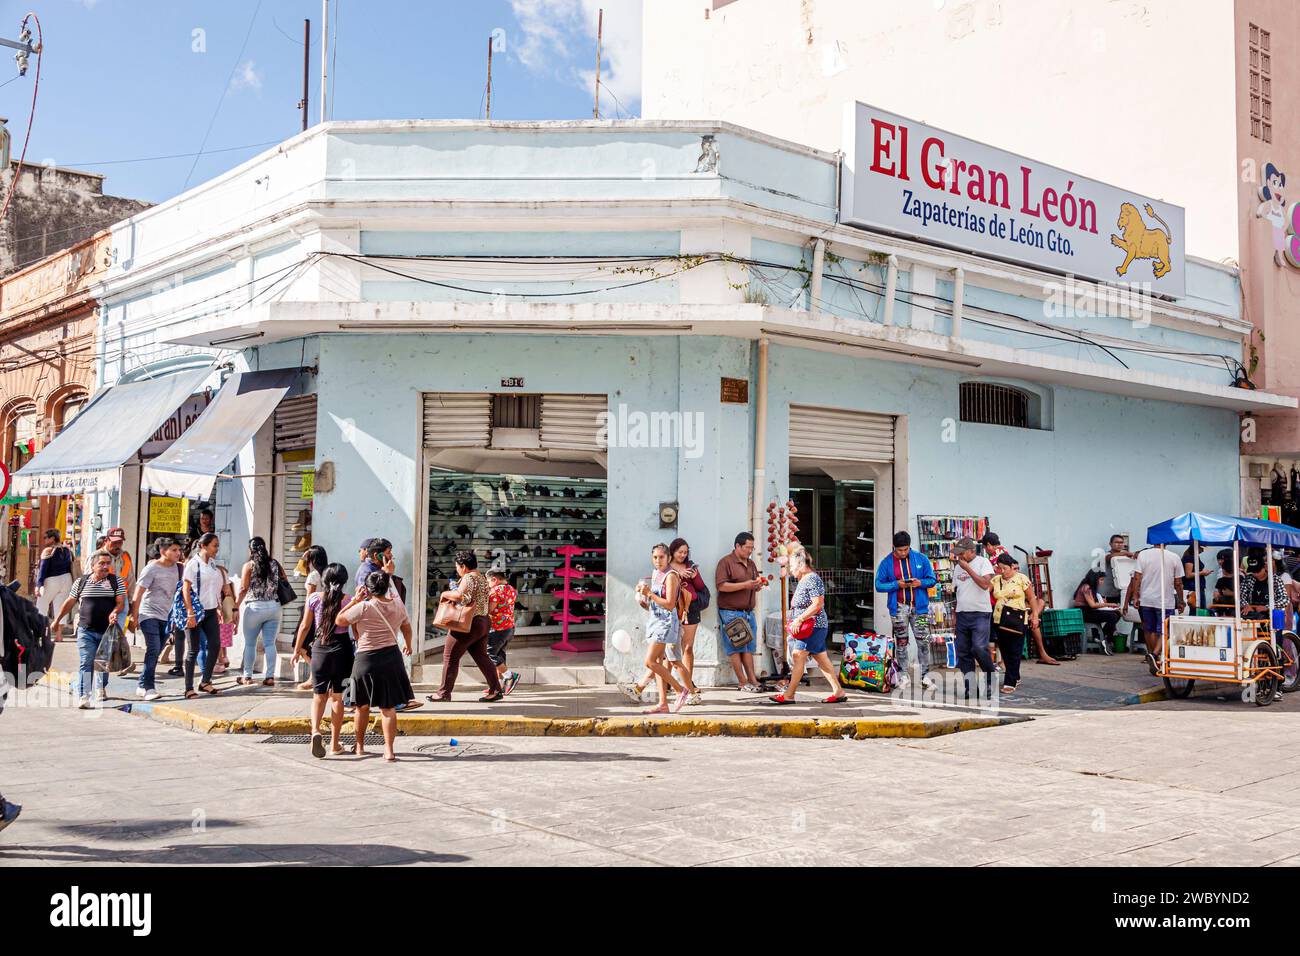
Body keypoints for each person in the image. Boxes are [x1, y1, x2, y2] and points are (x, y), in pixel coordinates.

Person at [336, 569, 414, 762]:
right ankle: (388, 750)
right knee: (388, 708)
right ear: (387, 587)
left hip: (366, 659)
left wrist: (355, 599)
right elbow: (406, 627)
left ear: (368, 588)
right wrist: (409, 645)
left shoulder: (364, 607)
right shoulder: (398, 605)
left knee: (361, 706)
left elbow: (340, 620)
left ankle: (360, 746)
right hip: (391, 657)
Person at [291, 563, 355, 758]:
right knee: (338, 698)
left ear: (324, 580)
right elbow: (356, 628)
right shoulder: (349, 601)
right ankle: (335, 744)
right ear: (344, 581)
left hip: (320, 648)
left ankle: (316, 731)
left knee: (318, 696)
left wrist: (296, 650)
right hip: (342, 650)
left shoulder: (314, 599)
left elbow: (304, 626)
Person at [770, 546, 846, 704]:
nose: (791, 570)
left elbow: (817, 604)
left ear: (800, 564)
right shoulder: (805, 579)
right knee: (822, 659)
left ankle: (789, 695)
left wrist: (799, 619)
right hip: (812, 626)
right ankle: (838, 691)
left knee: (798, 656)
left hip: (812, 626)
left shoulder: (811, 578)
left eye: (792, 566)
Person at [51, 551, 126, 709]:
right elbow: (70, 602)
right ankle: (84, 695)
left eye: (108, 563)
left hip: (107, 632)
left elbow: (120, 603)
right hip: (86, 630)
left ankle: (101, 687)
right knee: (86, 661)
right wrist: (57, 620)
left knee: (104, 663)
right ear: (93, 566)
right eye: (101, 563)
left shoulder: (116, 581)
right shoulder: (81, 582)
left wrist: (114, 612)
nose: (106, 566)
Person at [427, 550, 504, 703]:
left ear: (463, 566)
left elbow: (463, 597)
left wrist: (445, 593)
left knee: (450, 657)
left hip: (468, 623)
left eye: (457, 567)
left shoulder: (468, 577)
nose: (457, 570)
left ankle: (443, 693)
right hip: (482, 622)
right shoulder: (482, 577)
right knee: (482, 657)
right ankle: (495, 690)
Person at [874, 530, 937, 689]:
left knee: (923, 641)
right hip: (898, 608)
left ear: (910, 546)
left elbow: (932, 580)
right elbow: (879, 585)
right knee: (901, 642)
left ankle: (925, 676)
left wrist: (919, 583)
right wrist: (897, 584)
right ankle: (903, 676)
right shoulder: (887, 563)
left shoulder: (921, 559)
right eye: (899, 549)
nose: (903, 553)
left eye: (906, 549)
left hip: (921, 608)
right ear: (893, 547)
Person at [634, 543, 689, 714]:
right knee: (657, 663)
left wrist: (650, 593)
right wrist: (643, 597)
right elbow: (653, 604)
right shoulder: (656, 573)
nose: (658, 561)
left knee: (649, 662)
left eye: (661, 557)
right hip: (655, 620)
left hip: (665, 623)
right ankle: (663, 703)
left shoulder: (671, 576)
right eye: (655, 557)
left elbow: (670, 604)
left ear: (668, 558)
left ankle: (681, 690)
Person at [129, 537, 184, 700]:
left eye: (178, 550)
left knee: (157, 650)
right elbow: (138, 594)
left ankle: (141, 684)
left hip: (167, 616)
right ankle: (149, 687)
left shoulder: (179, 569)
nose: (178, 553)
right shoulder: (151, 568)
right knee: (153, 648)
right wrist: (134, 616)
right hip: (149, 613)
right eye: (174, 550)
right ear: (162, 551)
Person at [1123, 542, 1185, 676]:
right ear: (1166, 543)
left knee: (1149, 629)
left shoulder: (1143, 555)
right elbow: (1178, 583)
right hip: (1165, 601)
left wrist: (1135, 596)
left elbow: (1136, 578)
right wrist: (1181, 601)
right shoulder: (1174, 557)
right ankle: (1155, 654)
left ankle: (1152, 655)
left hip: (1146, 599)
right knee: (1165, 630)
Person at [715, 531, 766, 692]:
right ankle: (742, 682)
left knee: (749, 647)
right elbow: (721, 586)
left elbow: (753, 585)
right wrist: (746, 585)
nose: (750, 551)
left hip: (748, 612)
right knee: (736, 647)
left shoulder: (751, 564)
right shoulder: (726, 562)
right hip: (731, 612)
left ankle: (752, 680)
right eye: (747, 547)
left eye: (752, 548)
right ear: (738, 546)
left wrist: (757, 585)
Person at [233, 537, 286, 687]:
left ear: (251, 550)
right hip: (274, 607)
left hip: (255, 608)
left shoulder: (249, 565)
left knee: (250, 644)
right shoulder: (275, 564)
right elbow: (284, 581)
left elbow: (243, 588)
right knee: (270, 644)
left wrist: (236, 606)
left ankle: (247, 676)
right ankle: (270, 676)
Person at [990, 553, 1042, 695]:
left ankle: (1010, 681)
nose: (1002, 571)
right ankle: (1015, 675)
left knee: (1015, 651)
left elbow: (1032, 598)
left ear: (1012, 567)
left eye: (1004, 568)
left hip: (1018, 620)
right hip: (999, 619)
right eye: (999, 568)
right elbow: (984, 591)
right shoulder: (996, 580)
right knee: (1006, 651)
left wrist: (1035, 615)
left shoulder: (1021, 579)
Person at [182, 532, 226, 698]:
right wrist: (190, 613)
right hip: (195, 611)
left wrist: (219, 607)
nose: (217, 549)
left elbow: (215, 586)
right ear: (203, 546)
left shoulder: (213, 564)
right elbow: (186, 589)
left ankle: (206, 681)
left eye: (217, 546)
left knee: (215, 644)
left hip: (210, 610)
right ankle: (188, 688)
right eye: (214, 545)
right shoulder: (193, 564)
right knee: (193, 649)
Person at [952, 536, 995, 697]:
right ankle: (970, 686)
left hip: (980, 613)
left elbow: (985, 585)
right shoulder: (957, 568)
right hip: (962, 613)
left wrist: (968, 568)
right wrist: (955, 614)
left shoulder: (983, 563)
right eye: (958, 554)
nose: (959, 557)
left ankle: (990, 679)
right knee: (963, 652)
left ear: (971, 551)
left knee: (979, 647)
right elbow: (957, 591)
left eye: (962, 553)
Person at [667, 538, 705, 704]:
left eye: (685, 552)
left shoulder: (691, 566)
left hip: (691, 609)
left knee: (688, 648)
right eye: (679, 552)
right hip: (672, 610)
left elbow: (701, 586)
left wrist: (694, 576)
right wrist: (677, 574)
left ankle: (688, 683)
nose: (682, 555)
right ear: (672, 552)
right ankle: (668, 681)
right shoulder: (667, 567)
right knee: (669, 647)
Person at [294, 544, 329, 690]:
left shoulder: (313, 575)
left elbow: (310, 597)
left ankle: (315, 676)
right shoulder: (327, 572)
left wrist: (302, 560)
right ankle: (314, 676)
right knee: (312, 646)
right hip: (324, 613)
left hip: (311, 612)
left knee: (300, 644)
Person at [485, 568, 520, 696]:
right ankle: (498, 685)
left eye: (488, 581)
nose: (488, 584)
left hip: (497, 629)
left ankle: (509, 675)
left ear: (494, 579)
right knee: (500, 654)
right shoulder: (511, 589)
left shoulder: (495, 591)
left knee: (488, 654)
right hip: (509, 628)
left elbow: (489, 610)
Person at [35, 529, 74, 635]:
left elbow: (43, 569)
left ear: (52, 538)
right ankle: (58, 635)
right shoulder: (67, 550)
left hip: (52, 580)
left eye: (45, 537)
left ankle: (41, 633)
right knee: (61, 607)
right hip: (67, 579)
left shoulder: (48, 550)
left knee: (42, 605)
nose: (44, 540)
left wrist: (39, 585)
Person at [1073, 568, 1120, 653]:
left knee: (1117, 613)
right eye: (1101, 579)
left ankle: (1100, 636)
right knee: (1112, 616)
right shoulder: (1086, 587)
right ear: (1094, 578)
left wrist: (1103, 602)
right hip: (1083, 613)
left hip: (1089, 611)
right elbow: (1092, 605)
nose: (1102, 582)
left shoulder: (1091, 588)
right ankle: (1108, 640)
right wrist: (1109, 604)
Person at [1100, 534, 1135, 601]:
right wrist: (1126, 553)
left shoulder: (1125, 555)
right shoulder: (1105, 555)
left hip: (1121, 592)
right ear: (1110, 544)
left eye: (1121, 543)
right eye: (1116, 542)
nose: (1119, 544)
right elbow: (1109, 557)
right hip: (1107, 593)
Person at [1181, 545, 1213, 610]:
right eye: (1201, 549)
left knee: (1199, 608)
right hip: (1193, 588)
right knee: (1195, 609)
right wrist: (1202, 573)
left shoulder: (1194, 557)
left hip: (1197, 587)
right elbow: (1188, 574)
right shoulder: (1190, 558)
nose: (1202, 551)